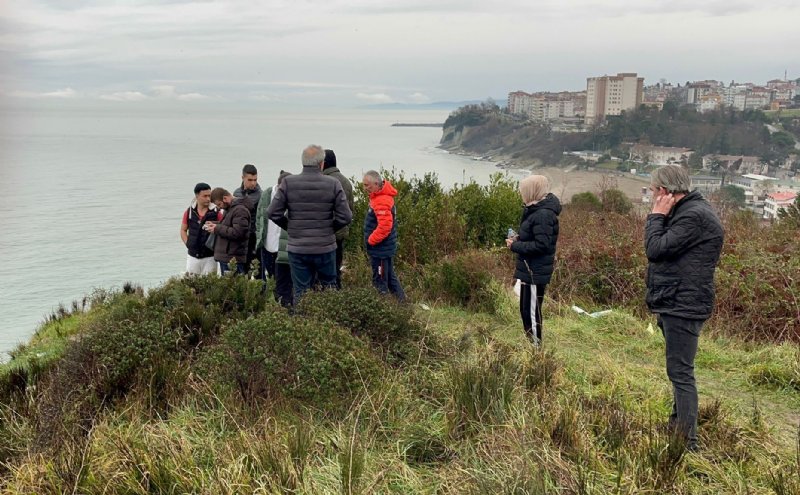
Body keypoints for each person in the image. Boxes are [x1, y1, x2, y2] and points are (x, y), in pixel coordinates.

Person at [645, 164, 723, 451]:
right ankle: (676, 427)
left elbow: (655, 250)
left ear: (664, 191)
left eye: (654, 191)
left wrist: (656, 216)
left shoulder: (693, 216)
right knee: (678, 371)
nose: (652, 196)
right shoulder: (689, 212)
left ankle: (687, 442)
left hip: (683, 304)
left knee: (681, 373)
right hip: (677, 300)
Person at [267, 145, 352, 302]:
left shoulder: (287, 183)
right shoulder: (333, 184)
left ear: (302, 162)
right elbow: (346, 216)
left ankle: (304, 324)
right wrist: (329, 229)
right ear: (321, 164)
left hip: (298, 248)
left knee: (301, 290)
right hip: (325, 247)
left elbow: (272, 212)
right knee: (329, 288)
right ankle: (330, 324)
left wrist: (291, 228)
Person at [506, 175, 561, 347]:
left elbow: (541, 245)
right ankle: (532, 345)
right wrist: (518, 239)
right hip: (529, 269)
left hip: (535, 271)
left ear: (532, 191)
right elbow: (536, 237)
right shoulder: (535, 210)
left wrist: (515, 246)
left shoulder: (543, 214)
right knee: (525, 310)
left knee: (531, 312)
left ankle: (535, 351)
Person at [362, 170, 405, 301]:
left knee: (380, 281)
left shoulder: (381, 201)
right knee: (390, 277)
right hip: (385, 248)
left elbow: (385, 227)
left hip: (380, 250)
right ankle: (402, 304)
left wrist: (370, 240)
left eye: (367, 185)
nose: (365, 189)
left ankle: (384, 311)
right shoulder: (381, 197)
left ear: (376, 184)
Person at [256, 170, 294, 306]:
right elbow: (259, 217)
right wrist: (259, 236)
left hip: (283, 248)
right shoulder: (266, 194)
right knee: (271, 278)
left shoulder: (293, 197)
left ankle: (285, 307)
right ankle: (276, 306)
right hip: (267, 245)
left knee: (283, 282)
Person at [322, 149, 354, 288]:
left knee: (324, 271)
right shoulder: (346, 182)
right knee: (336, 268)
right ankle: (337, 294)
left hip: (324, 234)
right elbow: (350, 209)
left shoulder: (323, 181)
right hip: (340, 233)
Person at [207, 187, 251, 275]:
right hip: (228, 257)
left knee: (233, 287)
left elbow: (238, 232)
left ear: (225, 198)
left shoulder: (240, 210)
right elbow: (228, 225)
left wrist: (217, 228)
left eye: (219, 204)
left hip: (233, 258)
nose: (219, 208)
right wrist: (214, 224)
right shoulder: (230, 209)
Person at [180, 182, 221, 275]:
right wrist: (188, 244)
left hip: (210, 256)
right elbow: (183, 230)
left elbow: (223, 228)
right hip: (192, 256)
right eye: (205, 196)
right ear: (197, 196)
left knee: (210, 284)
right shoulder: (189, 211)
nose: (208, 199)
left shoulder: (216, 212)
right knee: (191, 284)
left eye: (209, 196)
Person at [233, 164, 262, 276]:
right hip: (239, 237)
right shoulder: (236, 192)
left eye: (255, 180)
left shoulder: (260, 194)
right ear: (243, 178)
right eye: (250, 180)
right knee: (240, 270)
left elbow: (247, 206)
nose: (253, 183)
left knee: (256, 270)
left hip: (253, 236)